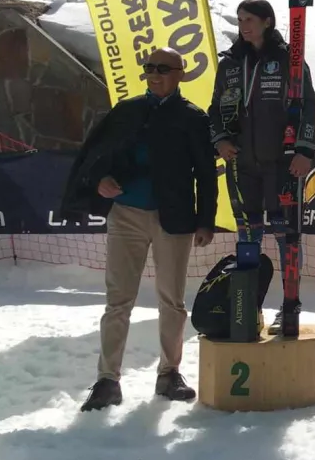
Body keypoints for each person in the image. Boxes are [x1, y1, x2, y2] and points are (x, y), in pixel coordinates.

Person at [61, 48, 217, 412]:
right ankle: (107, 380)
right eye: (149, 68)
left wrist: (205, 220)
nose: (155, 74)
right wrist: (99, 181)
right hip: (125, 215)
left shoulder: (193, 118)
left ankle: (169, 374)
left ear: (180, 74)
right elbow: (93, 157)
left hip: (173, 218)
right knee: (118, 301)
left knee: (172, 302)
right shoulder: (127, 111)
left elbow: (207, 176)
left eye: (163, 69)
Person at [209, 0, 315, 335]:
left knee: (287, 236)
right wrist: (220, 140)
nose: (244, 25)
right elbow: (215, 108)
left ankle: (289, 305)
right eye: (241, 19)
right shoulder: (230, 63)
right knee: (248, 235)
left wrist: (305, 150)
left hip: (281, 163)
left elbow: (309, 108)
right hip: (242, 164)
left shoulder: (289, 60)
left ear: (268, 22)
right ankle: (248, 305)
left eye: (251, 20)